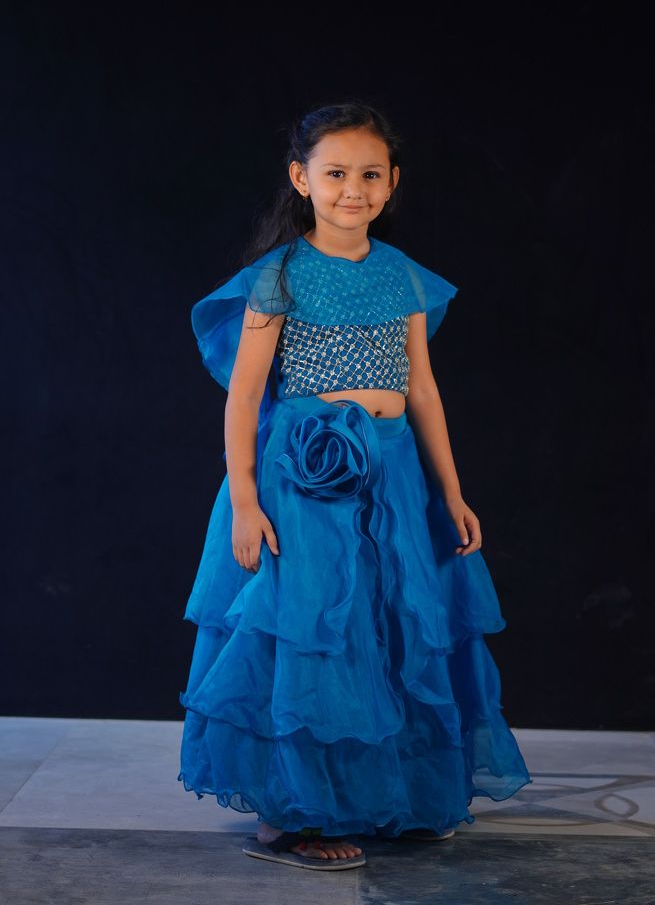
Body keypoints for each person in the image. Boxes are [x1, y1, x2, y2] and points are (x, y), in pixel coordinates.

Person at [177, 100, 533, 872]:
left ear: (391, 182)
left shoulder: (400, 274)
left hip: (392, 472)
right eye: (335, 173)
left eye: (370, 175)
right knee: (314, 629)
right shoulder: (279, 276)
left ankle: (389, 797)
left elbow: (422, 389)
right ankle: (289, 816)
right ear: (301, 178)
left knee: (388, 626)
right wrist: (245, 501)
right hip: (303, 477)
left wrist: (451, 492)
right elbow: (244, 396)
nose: (353, 190)